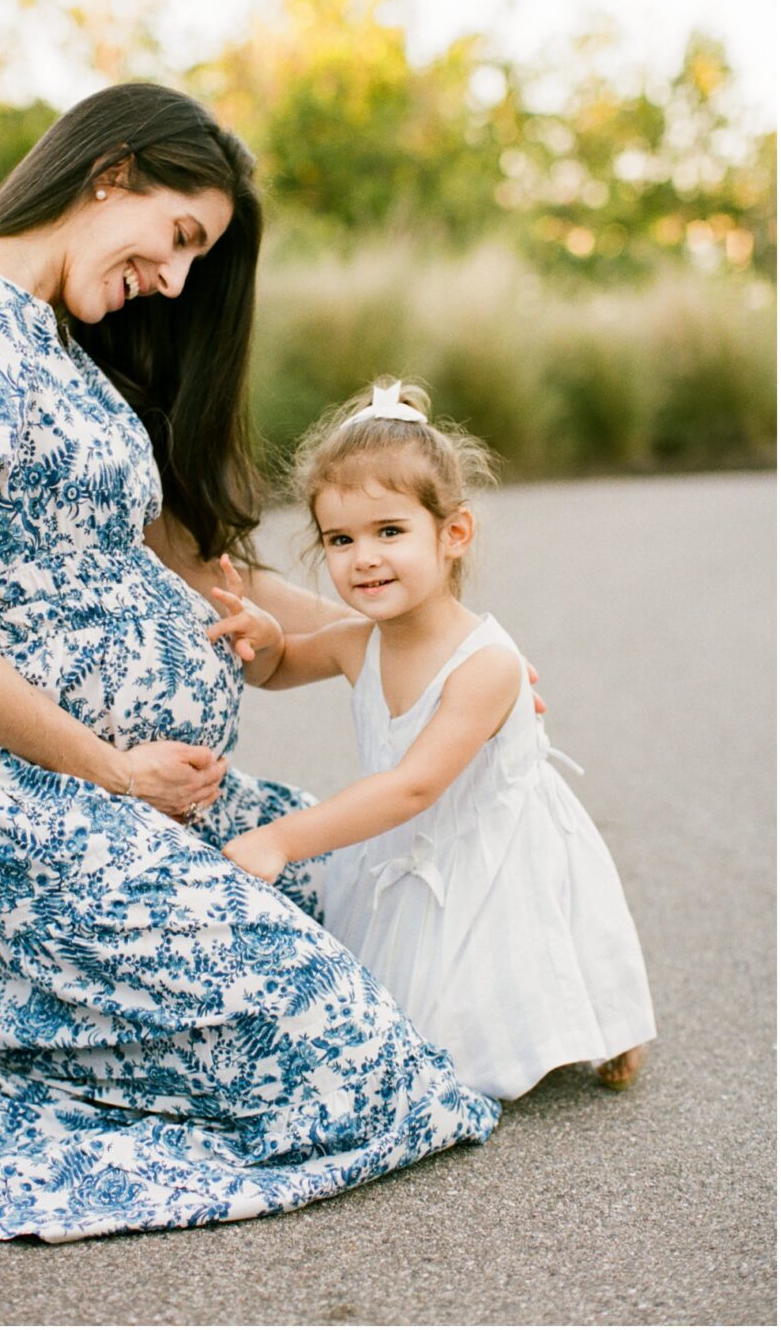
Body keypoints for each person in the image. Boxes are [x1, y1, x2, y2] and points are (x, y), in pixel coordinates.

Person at [0, 87, 499, 1243]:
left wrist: (452, 650)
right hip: (28, 803)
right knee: (352, 1068)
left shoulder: (77, 367)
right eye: (182, 237)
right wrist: (112, 769)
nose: (178, 279)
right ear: (113, 172)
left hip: (150, 803)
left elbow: (222, 584)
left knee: (376, 916)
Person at [212, 378, 657, 1102]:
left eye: (390, 532)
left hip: (490, 840)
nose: (364, 558)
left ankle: (613, 1028)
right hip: (407, 845)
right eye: (340, 539)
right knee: (422, 996)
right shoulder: (359, 639)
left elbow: (414, 786)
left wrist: (283, 840)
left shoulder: (486, 665)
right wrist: (262, 637)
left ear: (453, 535)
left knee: (525, 954)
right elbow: (280, 667)